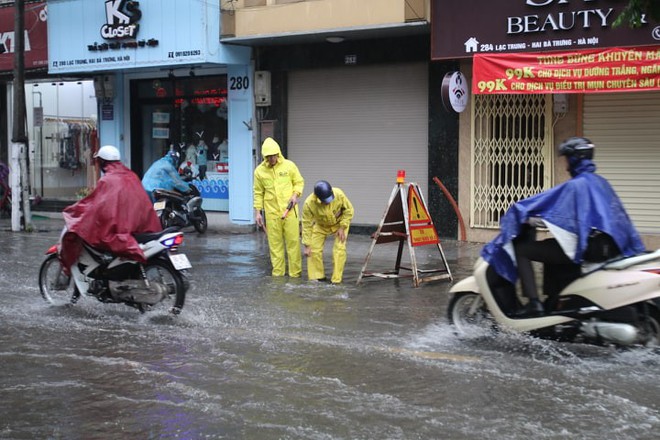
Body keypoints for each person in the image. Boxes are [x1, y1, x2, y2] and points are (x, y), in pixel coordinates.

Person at [482, 137, 646, 317]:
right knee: (551, 246)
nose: (567, 166)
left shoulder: (577, 186)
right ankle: (555, 300)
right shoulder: (600, 182)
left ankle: (534, 304)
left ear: (575, 158)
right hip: (605, 247)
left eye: (568, 159)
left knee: (521, 250)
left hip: (588, 248)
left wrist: (522, 215)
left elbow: (555, 211)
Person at [58, 145, 162, 276]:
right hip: (140, 226)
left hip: (121, 229)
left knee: (98, 236)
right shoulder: (131, 175)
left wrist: (76, 211)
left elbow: (96, 204)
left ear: (102, 162)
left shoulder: (108, 180)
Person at [253, 137, 305, 278]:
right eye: (268, 157)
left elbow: (299, 182)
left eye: (274, 156)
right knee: (275, 246)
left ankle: (295, 274)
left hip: (290, 212)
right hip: (271, 213)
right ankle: (278, 275)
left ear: (278, 153)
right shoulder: (259, 171)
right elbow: (258, 192)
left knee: (293, 244)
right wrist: (258, 213)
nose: (272, 159)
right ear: (265, 157)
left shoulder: (289, 166)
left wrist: (295, 194)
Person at [302, 180, 354, 284]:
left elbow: (349, 210)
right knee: (313, 250)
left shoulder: (338, 193)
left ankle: (336, 280)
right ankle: (317, 277)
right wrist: (307, 245)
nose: (328, 202)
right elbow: (306, 224)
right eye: (325, 200)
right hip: (321, 225)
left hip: (339, 224)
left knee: (339, 250)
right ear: (318, 198)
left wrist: (342, 227)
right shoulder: (309, 204)